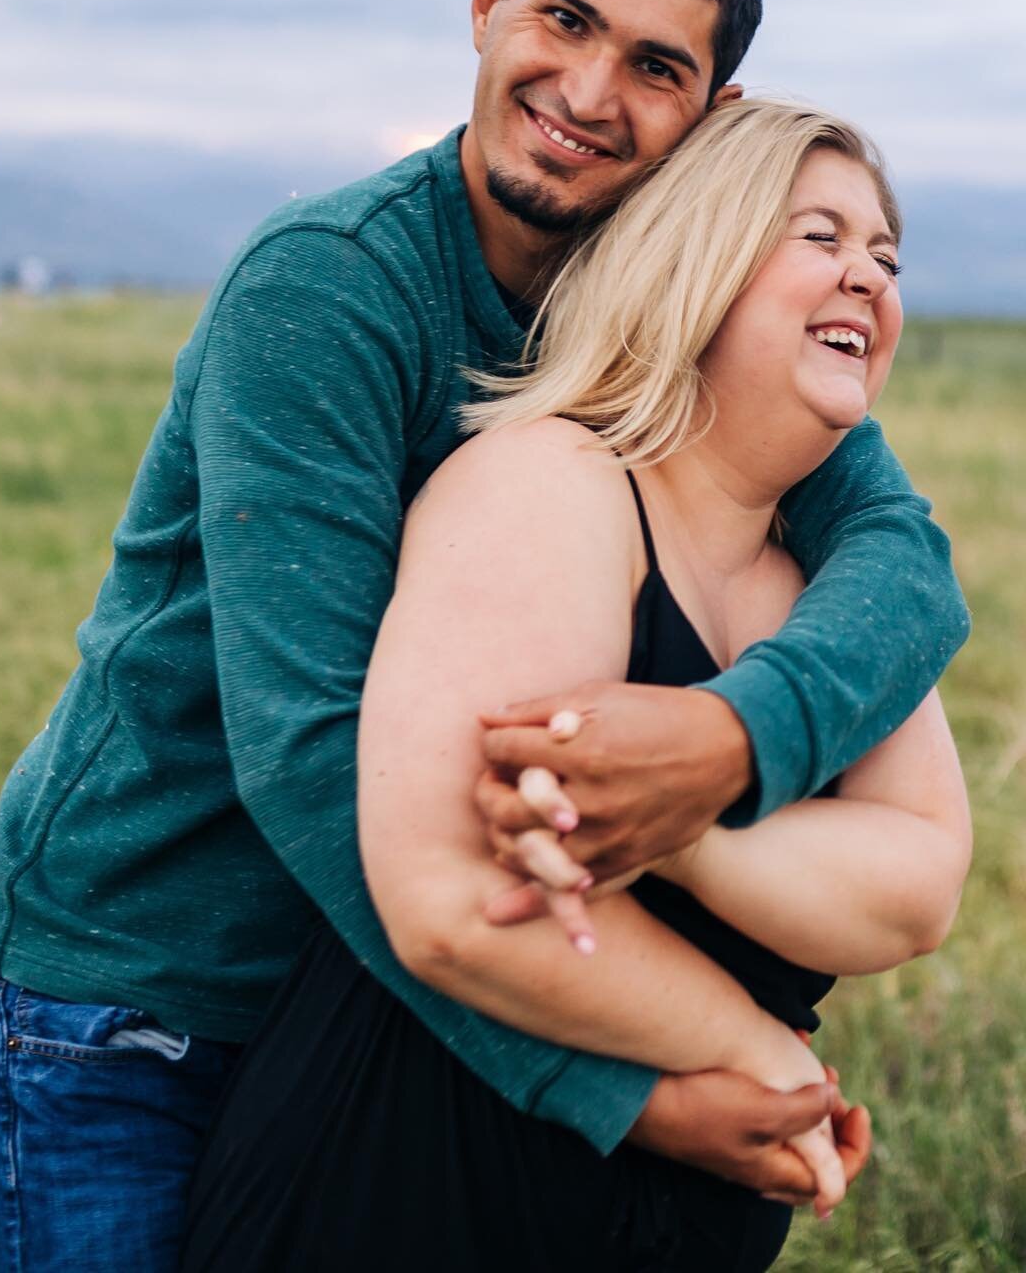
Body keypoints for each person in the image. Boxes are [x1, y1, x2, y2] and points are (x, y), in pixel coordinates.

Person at [0, 0, 969, 1272]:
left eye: (657, 67)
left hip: (358, 999)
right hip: (137, 986)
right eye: (564, 19)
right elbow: (309, 763)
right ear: (490, 4)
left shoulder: (662, 301)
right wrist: (638, 1092)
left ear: (712, 117)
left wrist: (725, 742)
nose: (592, 92)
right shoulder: (333, 287)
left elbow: (902, 560)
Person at [178, 99, 973, 1271]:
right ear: (699, 256)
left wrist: (665, 823)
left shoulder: (841, 588)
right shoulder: (551, 483)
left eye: (886, 256)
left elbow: (917, 888)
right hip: (416, 1175)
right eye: (820, 237)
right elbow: (462, 907)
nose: (867, 274)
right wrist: (760, 1057)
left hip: (686, 1217)